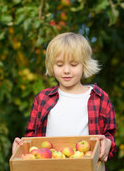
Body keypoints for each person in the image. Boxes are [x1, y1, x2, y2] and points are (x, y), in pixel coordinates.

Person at [12, 32, 117, 163]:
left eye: (73, 65)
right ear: (52, 65)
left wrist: (107, 144)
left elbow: (109, 136)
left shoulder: (99, 98)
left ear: (84, 65)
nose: (66, 70)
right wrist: (21, 147)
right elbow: (31, 138)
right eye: (60, 65)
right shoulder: (43, 99)